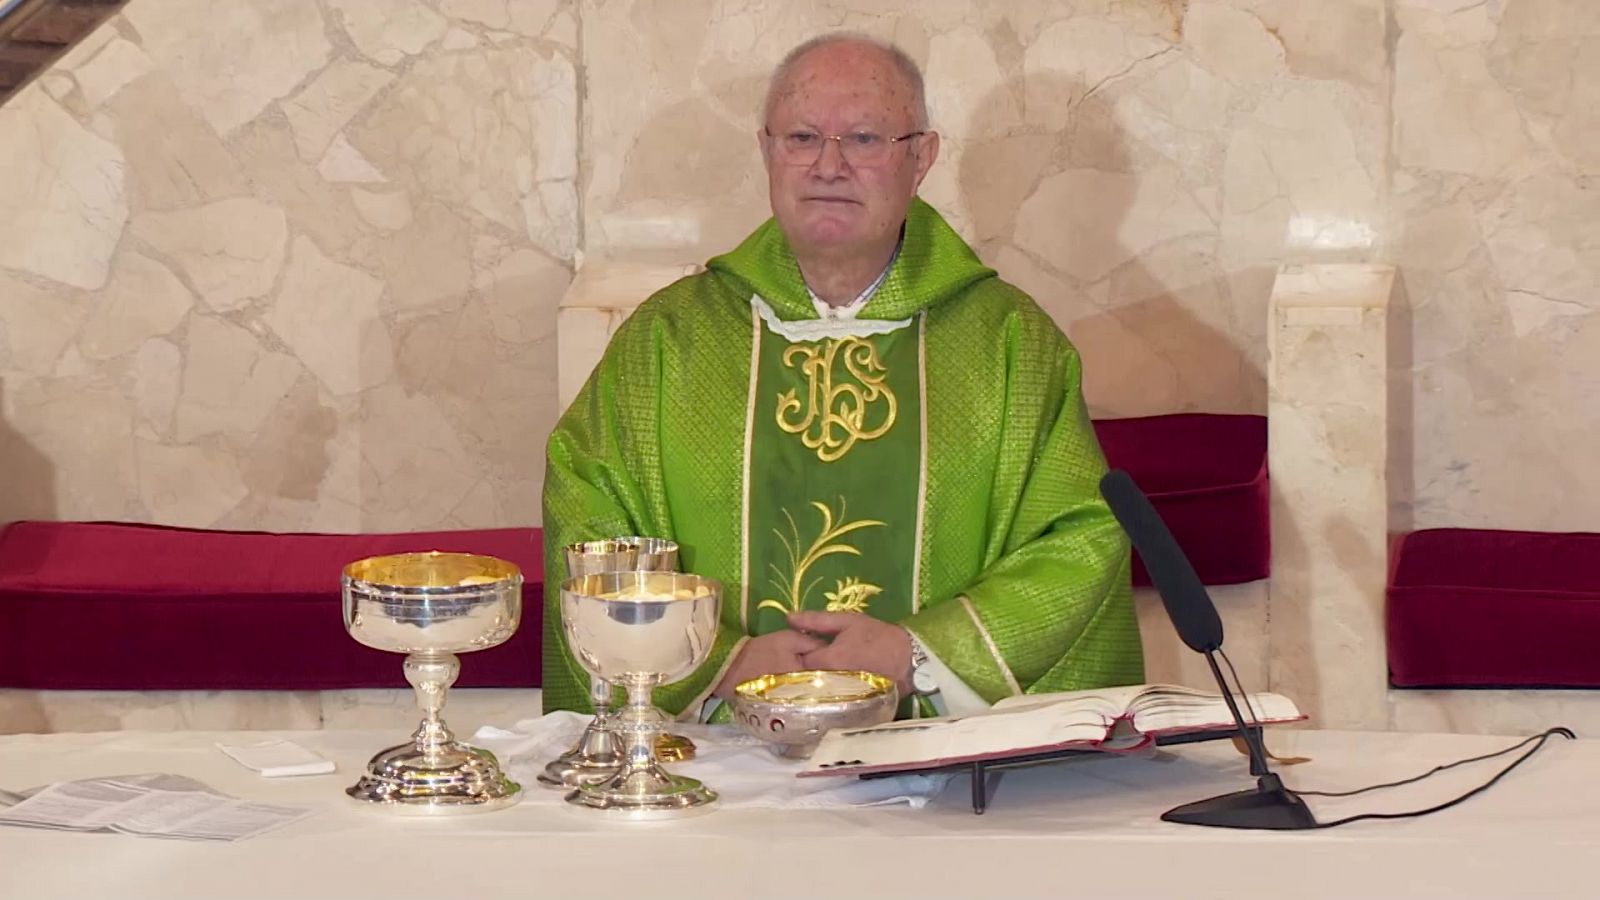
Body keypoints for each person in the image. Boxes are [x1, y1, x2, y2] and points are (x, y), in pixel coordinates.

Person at [542, 33, 1142, 721]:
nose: (828, 165)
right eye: (802, 137)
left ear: (921, 157)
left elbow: (1077, 533)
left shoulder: (1007, 342)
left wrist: (920, 655)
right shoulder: (671, 339)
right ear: (767, 151)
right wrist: (720, 661)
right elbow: (590, 511)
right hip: (723, 769)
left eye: (863, 139)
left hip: (939, 778)